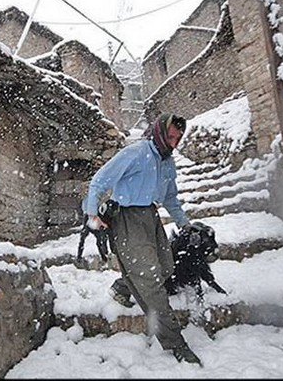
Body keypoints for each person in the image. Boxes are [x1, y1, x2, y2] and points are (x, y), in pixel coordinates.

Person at [82, 112, 202, 366]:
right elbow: (99, 181)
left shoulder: (168, 163)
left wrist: (185, 224)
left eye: (178, 139)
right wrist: (92, 215)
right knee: (151, 283)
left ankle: (122, 286)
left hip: (151, 216)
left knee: (166, 266)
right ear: (159, 132)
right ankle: (175, 343)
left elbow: (170, 198)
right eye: (170, 137)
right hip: (126, 219)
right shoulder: (136, 153)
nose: (174, 143)